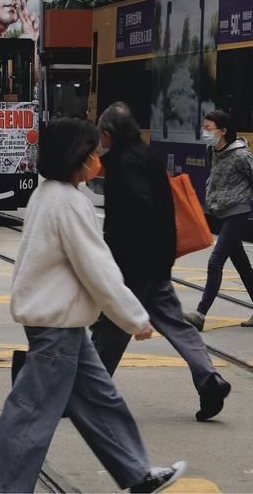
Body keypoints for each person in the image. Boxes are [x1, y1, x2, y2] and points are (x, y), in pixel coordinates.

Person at [0, 117, 185, 494]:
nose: (97, 158)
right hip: (56, 327)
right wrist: (135, 318)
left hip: (63, 323)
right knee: (30, 415)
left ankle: (136, 472)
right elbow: (98, 269)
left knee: (101, 399)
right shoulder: (69, 203)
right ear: (76, 157)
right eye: (91, 152)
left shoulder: (46, 193)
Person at [92, 102, 231, 423]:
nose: (100, 140)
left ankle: (90, 393)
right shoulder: (145, 155)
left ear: (110, 134)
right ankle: (210, 380)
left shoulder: (124, 164)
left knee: (113, 326)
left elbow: (137, 211)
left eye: (102, 134)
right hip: (156, 260)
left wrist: (114, 257)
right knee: (175, 323)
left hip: (134, 263)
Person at [182, 109, 253, 331]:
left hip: (238, 212)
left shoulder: (242, 156)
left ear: (223, 131)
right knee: (242, 264)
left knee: (215, 262)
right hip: (221, 213)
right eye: (204, 128)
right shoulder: (213, 150)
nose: (205, 132)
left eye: (209, 129)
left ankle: (200, 314)